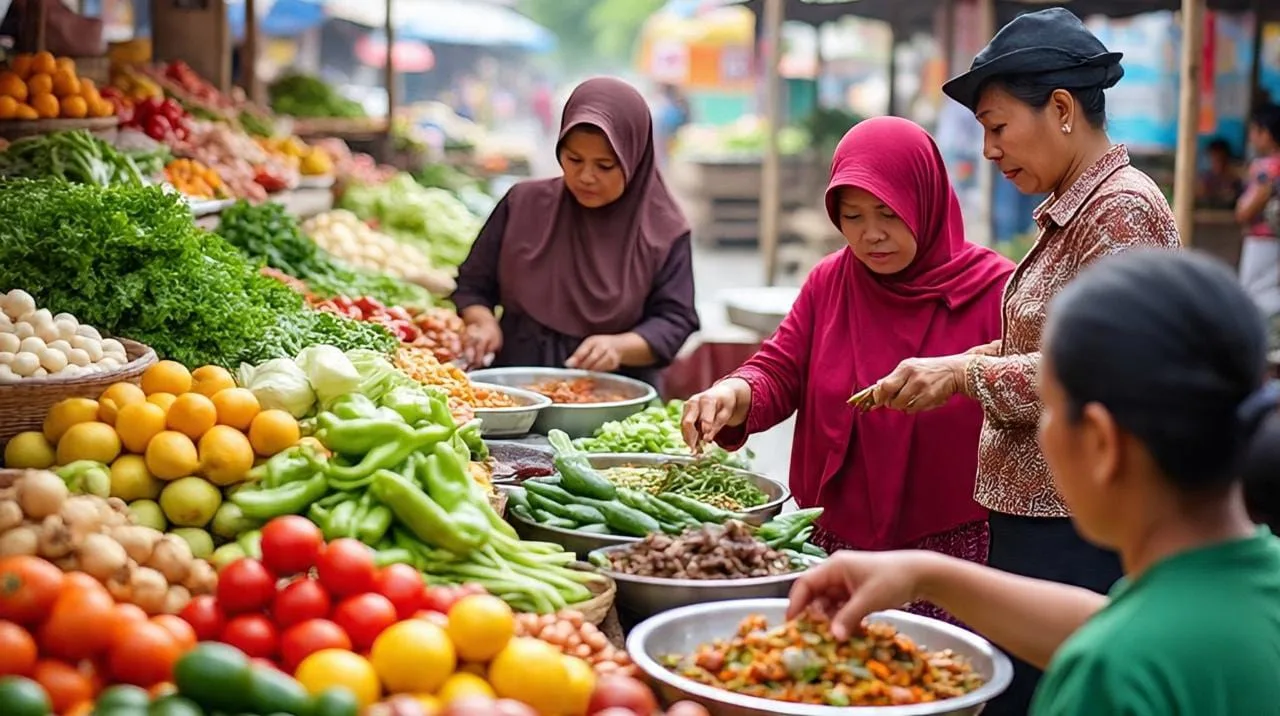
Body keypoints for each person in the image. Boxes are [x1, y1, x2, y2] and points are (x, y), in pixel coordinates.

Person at [789, 249, 1280, 716]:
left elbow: (1119, 646)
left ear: (1102, 444)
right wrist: (926, 575)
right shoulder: (1244, 583)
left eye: (1048, 408)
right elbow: (1123, 625)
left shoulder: (1108, 678)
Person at [859, 10, 1180, 713]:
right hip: (1037, 514)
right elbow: (1049, 351)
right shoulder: (1077, 209)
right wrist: (949, 366)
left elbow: (1101, 375)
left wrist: (961, 374)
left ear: (1062, 109)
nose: (991, 151)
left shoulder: (1120, 212)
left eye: (999, 127)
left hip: (1076, 522)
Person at [680, 117, 1015, 623]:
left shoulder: (996, 290)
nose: (871, 235)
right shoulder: (831, 280)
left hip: (948, 549)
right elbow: (779, 370)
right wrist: (732, 392)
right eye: (853, 217)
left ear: (924, 201)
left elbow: (1032, 386)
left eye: (887, 213)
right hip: (833, 537)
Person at [452, 77, 699, 387]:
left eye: (605, 165)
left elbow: (676, 321)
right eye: (574, 159)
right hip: (515, 388)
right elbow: (473, 285)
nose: (586, 176)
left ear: (634, 159)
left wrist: (619, 346)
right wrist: (483, 323)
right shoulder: (522, 204)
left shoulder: (664, 232)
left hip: (615, 398)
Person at [1236, 103, 1280, 348]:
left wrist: (1243, 210)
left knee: (1258, 294)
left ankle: (1264, 347)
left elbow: (1245, 211)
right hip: (1274, 242)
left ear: (1267, 133)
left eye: (1254, 131)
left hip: (1263, 242)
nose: (1252, 138)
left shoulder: (1267, 168)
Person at [1196, 137, 1242, 210]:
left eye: (1220, 159)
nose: (1218, 164)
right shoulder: (1206, 179)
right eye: (1215, 160)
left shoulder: (1234, 180)